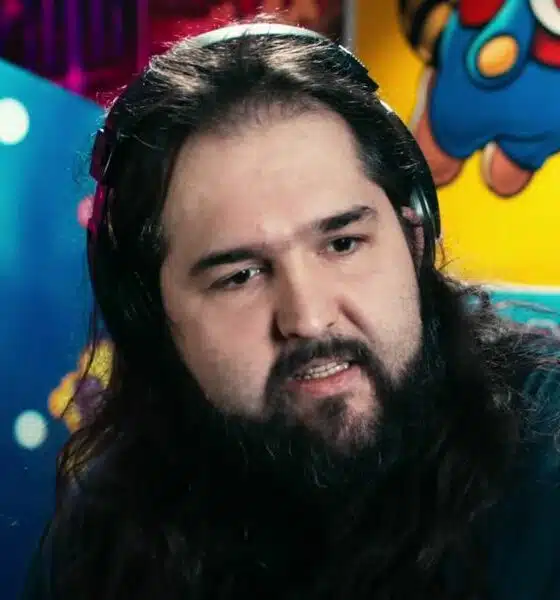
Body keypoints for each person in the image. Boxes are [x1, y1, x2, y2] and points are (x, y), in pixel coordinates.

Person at [22, 18, 560, 600]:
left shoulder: (548, 458)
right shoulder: (101, 543)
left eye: (343, 244)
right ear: (151, 317)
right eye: (240, 276)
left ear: (414, 243)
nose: (308, 318)